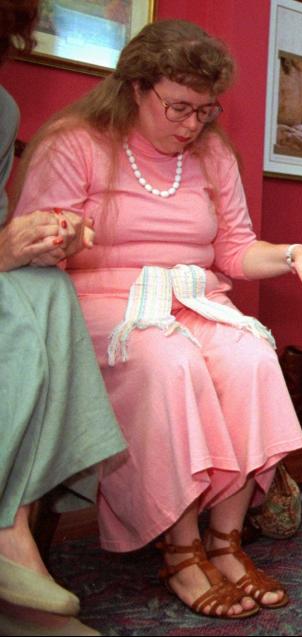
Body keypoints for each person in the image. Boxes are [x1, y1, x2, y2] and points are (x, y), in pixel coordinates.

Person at [12, 20, 302, 620]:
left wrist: (292, 254)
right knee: (169, 361)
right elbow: (30, 249)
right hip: (98, 303)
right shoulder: (74, 142)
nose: (193, 125)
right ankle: (181, 549)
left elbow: (236, 250)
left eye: (204, 111)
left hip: (192, 298)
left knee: (250, 357)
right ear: (135, 89)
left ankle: (226, 540)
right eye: (178, 108)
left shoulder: (213, 153)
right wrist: (62, 236)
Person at [1, 1, 126, 635]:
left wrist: (49, 235)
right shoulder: (68, 138)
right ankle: (9, 535)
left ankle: (12, 525)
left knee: (47, 288)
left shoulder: (2, 109)